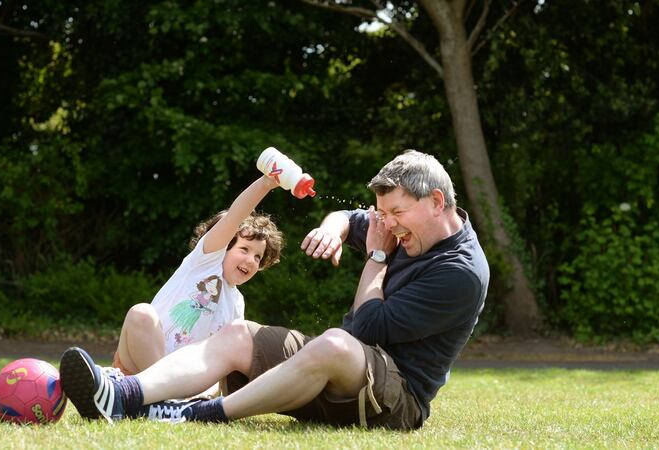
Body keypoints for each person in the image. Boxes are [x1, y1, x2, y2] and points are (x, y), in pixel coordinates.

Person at [59, 150, 489, 430]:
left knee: (336, 343)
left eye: (396, 212)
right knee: (237, 333)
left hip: (395, 398)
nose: (387, 223)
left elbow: (369, 329)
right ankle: (123, 396)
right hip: (341, 368)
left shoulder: (460, 273)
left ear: (436, 201)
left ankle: (195, 413)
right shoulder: (398, 225)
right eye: (383, 212)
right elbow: (350, 216)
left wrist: (376, 257)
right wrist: (332, 228)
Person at [111, 173, 284, 378]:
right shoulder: (204, 263)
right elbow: (234, 217)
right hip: (138, 366)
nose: (251, 260)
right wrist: (265, 184)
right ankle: (145, 391)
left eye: (258, 257)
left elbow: (226, 358)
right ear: (223, 247)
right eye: (245, 249)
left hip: (183, 381)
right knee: (141, 313)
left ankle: (165, 399)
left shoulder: (237, 302)